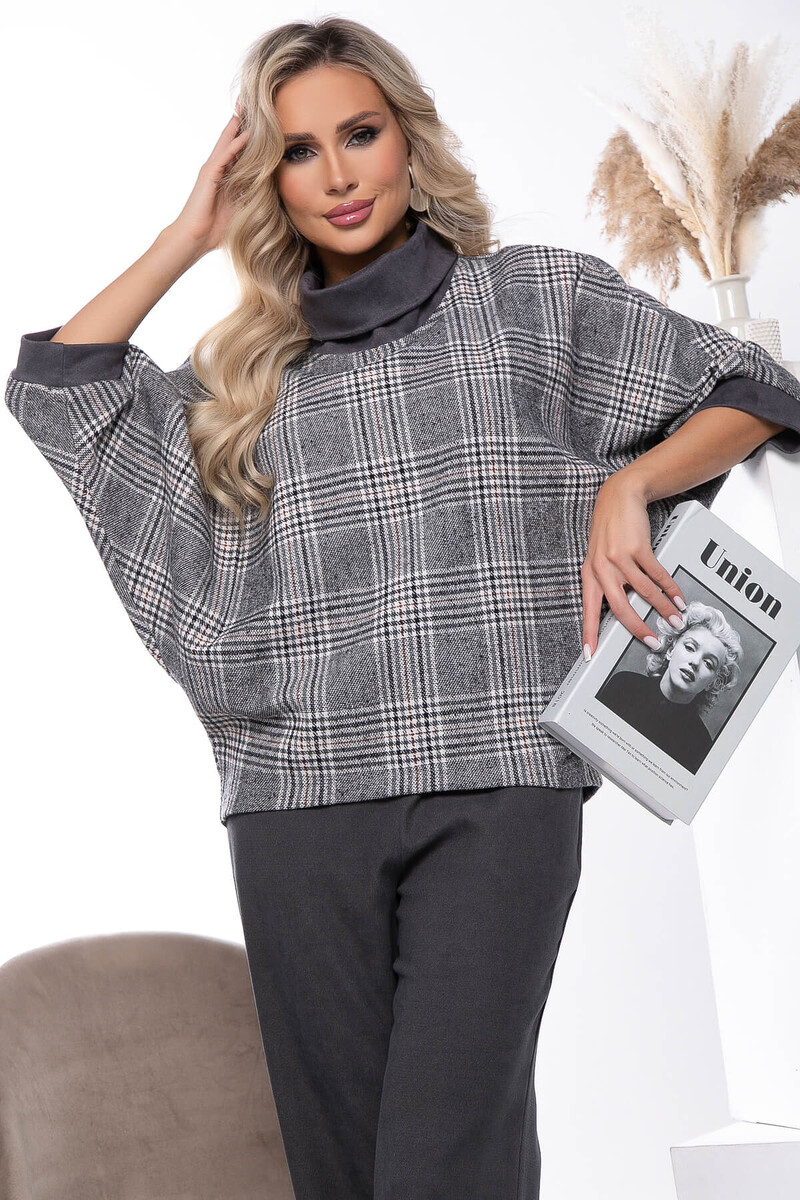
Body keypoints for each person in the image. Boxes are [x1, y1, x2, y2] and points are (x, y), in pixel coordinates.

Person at [7, 17, 800, 1200]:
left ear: (407, 139)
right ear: (266, 178)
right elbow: (61, 389)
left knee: (446, 1162)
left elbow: (754, 385)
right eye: (297, 150)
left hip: (498, 786)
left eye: (360, 134)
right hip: (295, 801)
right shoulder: (240, 374)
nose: (336, 173)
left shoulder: (533, 300)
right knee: (342, 1175)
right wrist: (187, 233)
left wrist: (629, 483)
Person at [595, 601, 743, 772]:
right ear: (671, 649)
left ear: (713, 683)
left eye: (708, 663)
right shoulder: (623, 686)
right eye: (690, 647)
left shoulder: (700, 745)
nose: (695, 662)